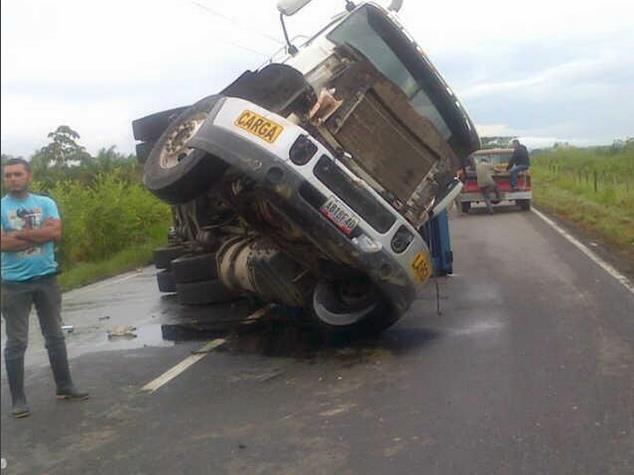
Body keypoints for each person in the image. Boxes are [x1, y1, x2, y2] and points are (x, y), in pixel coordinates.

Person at [1, 158, 88, 418]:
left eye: (17, 174)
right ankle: (18, 399)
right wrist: (40, 232)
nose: (13, 179)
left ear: (28, 176)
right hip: (13, 283)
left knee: (55, 336)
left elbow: (56, 234)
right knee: (16, 341)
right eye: (8, 175)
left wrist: (17, 234)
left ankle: (65, 386)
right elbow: (2, 245)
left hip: (47, 278)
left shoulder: (46, 203)